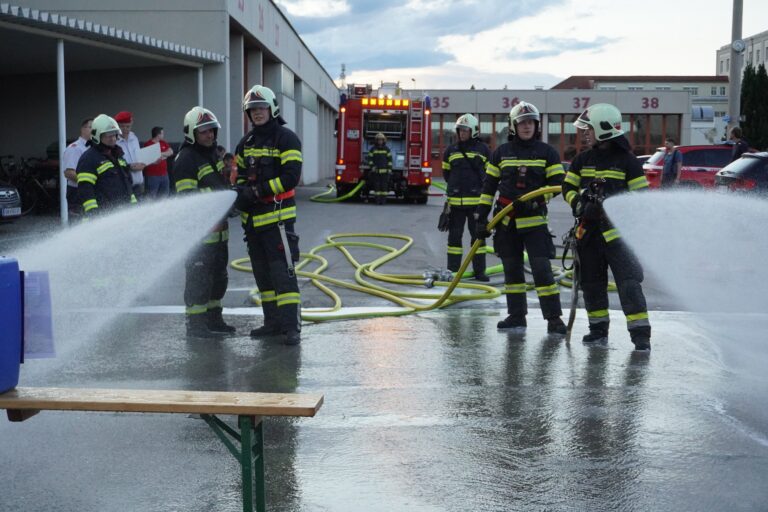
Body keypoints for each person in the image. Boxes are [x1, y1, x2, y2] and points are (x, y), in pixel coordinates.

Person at [562, 103, 651, 351]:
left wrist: (613, 208)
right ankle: (598, 330)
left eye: (588, 129)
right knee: (591, 285)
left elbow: (641, 198)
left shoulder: (627, 162)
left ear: (603, 128)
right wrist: (580, 204)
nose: (584, 133)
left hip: (620, 239)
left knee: (629, 285)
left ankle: (641, 336)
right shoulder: (583, 159)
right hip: (589, 236)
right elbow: (567, 187)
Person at [475, 101, 567, 334]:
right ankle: (516, 316)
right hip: (506, 222)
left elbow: (557, 185)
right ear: (514, 126)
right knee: (512, 270)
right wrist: (481, 219)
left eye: (530, 123)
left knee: (542, 270)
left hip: (534, 222)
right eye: (522, 123)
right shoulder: (501, 153)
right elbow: (488, 187)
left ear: (537, 125)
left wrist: (534, 201)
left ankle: (554, 319)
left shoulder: (547, 152)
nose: (527, 127)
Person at [234, 85, 303, 346]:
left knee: (283, 276)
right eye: (252, 110)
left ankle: (291, 328)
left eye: (261, 108)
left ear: (272, 108)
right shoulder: (246, 143)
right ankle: (272, 324)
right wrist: (240, 193)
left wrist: (259, 191)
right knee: (263, 277)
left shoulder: (286, 139)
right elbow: (239, 176)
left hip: (278, 222)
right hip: (252, 225)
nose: (257, 113)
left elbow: (290, 177)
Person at [174, 107, 235, 338]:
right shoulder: (186, 159)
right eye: (203, 132)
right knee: (199, 282)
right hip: (199, 237)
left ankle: (214, 320)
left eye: (211, 130)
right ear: (191, 133)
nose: (209, 135)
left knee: (218, 280)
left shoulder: (211, 154)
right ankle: (197, 326)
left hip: (219, 235)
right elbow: (188, 200)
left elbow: (219, 186)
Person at [441, 113, 491, 281]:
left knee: (478, 239)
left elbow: (490, 176)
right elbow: (446, 174)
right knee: (454, 238)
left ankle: (479, 272)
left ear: (474, 131)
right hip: (455, 205)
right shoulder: (451, 150)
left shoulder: (484, 150)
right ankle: (453, 272)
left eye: (465, 130)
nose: (462, 133)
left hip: (477, 204)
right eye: (460, 130)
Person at [76, 114, 137, 216]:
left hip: (124, 213)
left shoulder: (118, 155)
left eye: (115, 134)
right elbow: (85, 188)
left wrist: (134, 208)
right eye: (108, 135)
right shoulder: (89, 158)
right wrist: (93, 213)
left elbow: (127, 183)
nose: (113, 138)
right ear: (97, 136)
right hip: (103, 215)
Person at [62, 118, 92, 214]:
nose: (94, 130)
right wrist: (88, 182)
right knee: (78, 222)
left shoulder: (94, 148)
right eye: (91, 127)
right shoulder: (75, 148)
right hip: (77, 191)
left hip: (89, 190)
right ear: (83, 129)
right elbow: (69, 173)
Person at [114, 111, 146, 197]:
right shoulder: (113, 142)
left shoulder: (134, 137)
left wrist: (148, 161)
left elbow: (139, 157)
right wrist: (129, 167)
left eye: (128, 126)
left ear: (131, 123)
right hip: (125, 186)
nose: (125, 129)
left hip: (139, 182)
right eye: (122, 126)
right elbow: (114, 162)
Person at [143, 126, 174, 199]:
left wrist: (160, 154)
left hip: (164, 175)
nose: (163, 135)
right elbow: (147, 158)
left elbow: (171, 152)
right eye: (162, 133)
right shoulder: (148, 144)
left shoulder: (163, 142)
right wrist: (164, 154)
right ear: (158, 134)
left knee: (164, 197)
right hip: (152, 176)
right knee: (151, 197)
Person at [366, 132, 392, 205]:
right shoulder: (373, 149)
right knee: (377, 187)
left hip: (385, 172)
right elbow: (369, 159)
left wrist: (389, 169)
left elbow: (390, 160)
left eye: (381, 140)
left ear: (384, 140)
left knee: (384, 187)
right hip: (376, 172)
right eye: (378, 140)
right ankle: (377, 201)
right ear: (376, 140)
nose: (380, 141)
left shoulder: (387, 149)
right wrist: (372, 167)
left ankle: (383, 201)